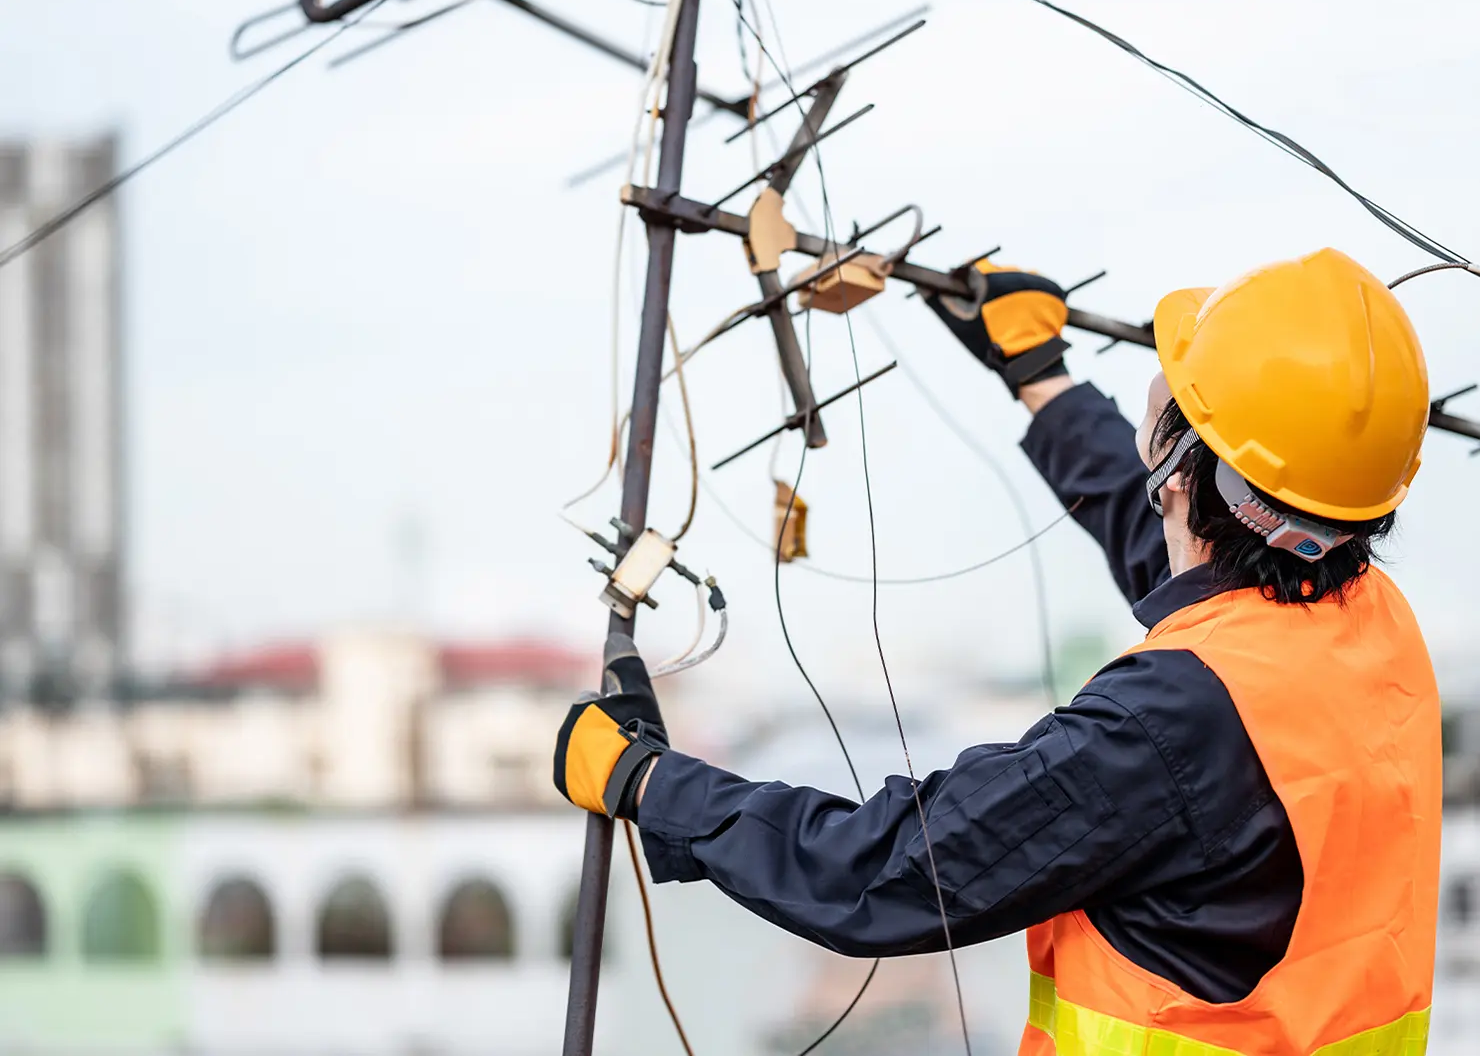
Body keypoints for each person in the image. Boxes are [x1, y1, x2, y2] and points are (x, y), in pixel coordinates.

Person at [553, 248, 1442, 1055]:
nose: (1159, 380)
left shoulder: (1166, 726)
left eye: (1177, 380)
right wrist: (1042, 378)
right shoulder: (1370, 624)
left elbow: (887, 870)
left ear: (1178, 464)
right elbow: (1184, 543)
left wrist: (647, 782)